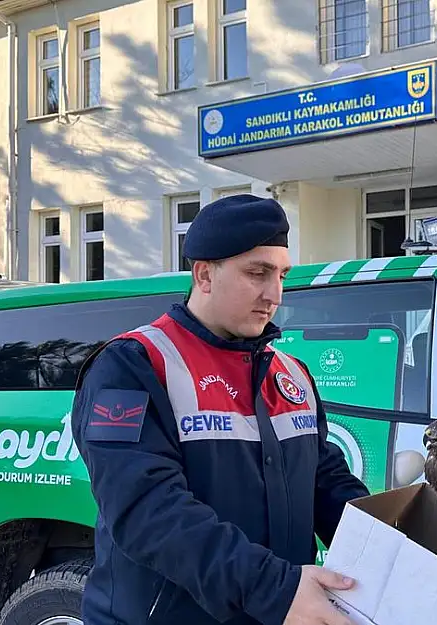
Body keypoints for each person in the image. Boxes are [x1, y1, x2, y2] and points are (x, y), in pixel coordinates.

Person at [70, 194, 370, 625]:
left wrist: (391, 549)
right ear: (204, 274)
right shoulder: (134, 364)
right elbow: (147, 511)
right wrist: (274, 589)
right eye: (257, 273)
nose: (275, 294)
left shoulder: (291, 373)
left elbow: (327, 483)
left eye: (282, 275)